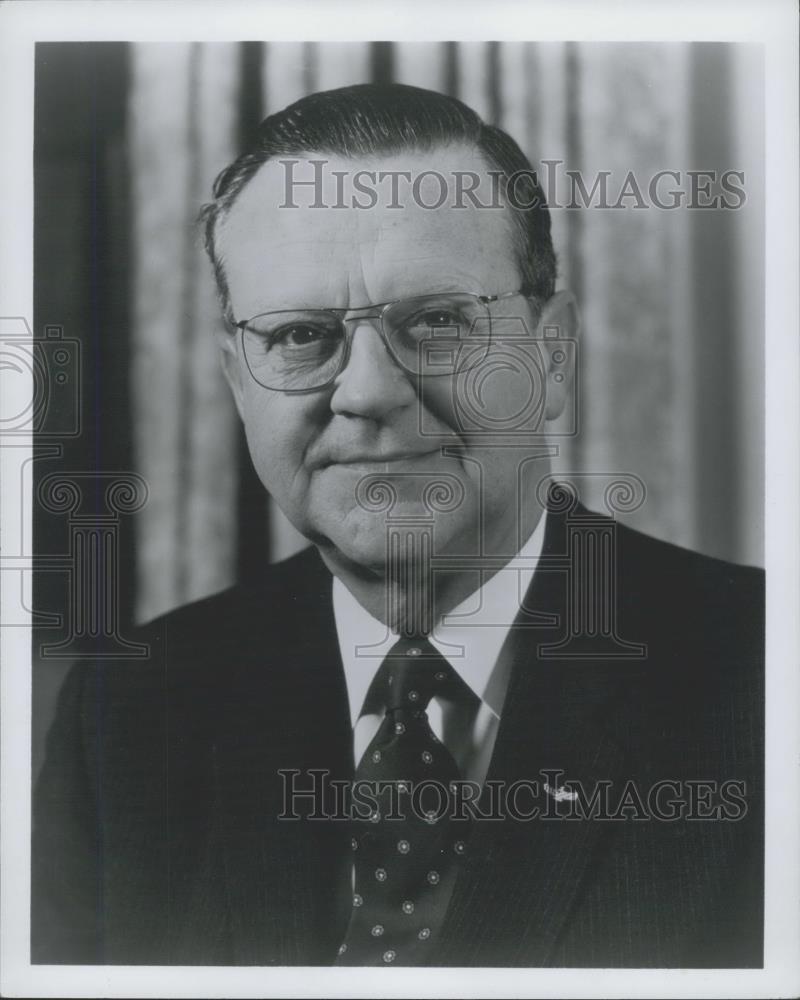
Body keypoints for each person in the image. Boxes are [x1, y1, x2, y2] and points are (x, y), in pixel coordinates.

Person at [32, 83, 764, 968]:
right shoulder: (130, 715)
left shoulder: (763, 679)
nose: (369, 391)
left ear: (553, 354)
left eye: (439, 323)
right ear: (237, 381)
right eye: (302, 335)